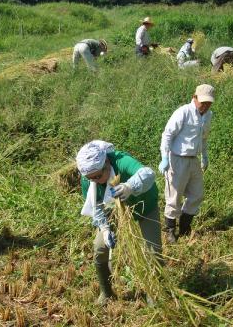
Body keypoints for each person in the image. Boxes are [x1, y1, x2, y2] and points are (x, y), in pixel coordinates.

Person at [76, 140, 162, 305]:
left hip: (144, 205)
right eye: (90, 178)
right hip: (114, 209)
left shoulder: (121, 161)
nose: (95, 181)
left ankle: (153, 292)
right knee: (100, 247)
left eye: (98, 176)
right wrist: (105, 229)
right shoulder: (89, 178)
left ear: (107, 163)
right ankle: (106, 293)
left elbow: (148, 173)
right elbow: (96, 206)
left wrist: (130, 186)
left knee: (153, 251)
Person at [158, 84, 214, 244]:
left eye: (209, 103)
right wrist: (164, 158)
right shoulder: (183, 112)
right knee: (174, 196)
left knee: (197, 195)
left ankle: (184, 227)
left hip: (193, 160)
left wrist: (205, 156)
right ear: (194, 98)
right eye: (203, 102)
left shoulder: (208, 115)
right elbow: (167, 135)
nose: (205, 105)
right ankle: (170, 230)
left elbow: (204, 138)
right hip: (177, 158)